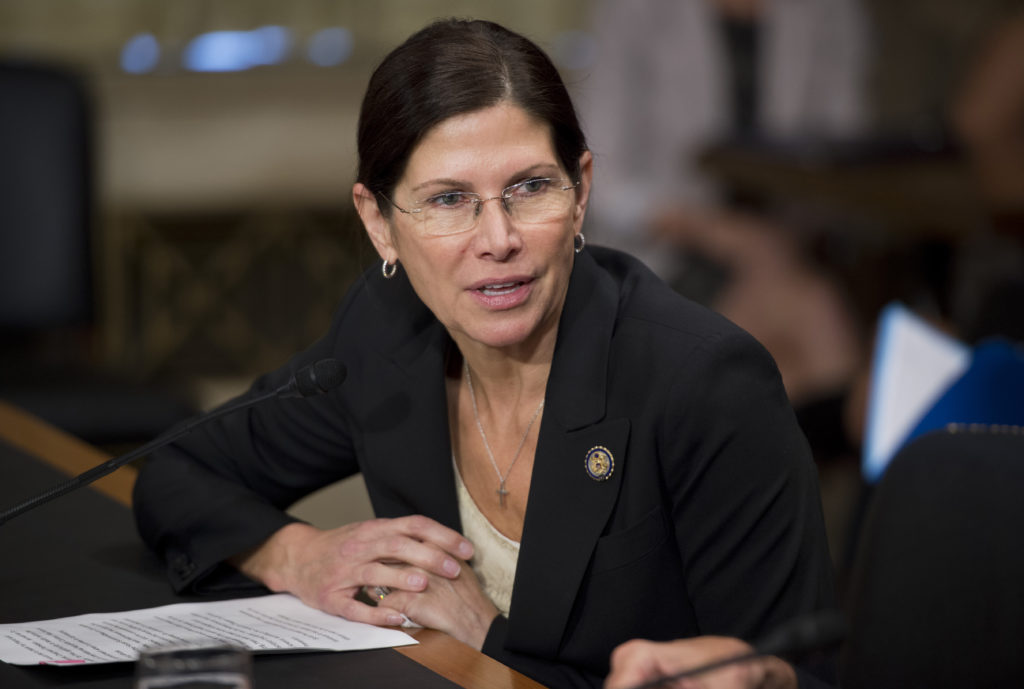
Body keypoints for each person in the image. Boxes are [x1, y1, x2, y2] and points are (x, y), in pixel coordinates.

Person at [133, 19, 835, 689]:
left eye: (530, 187)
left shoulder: (705, 382)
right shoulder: (385, 334)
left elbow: (794, 673)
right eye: (448, 199)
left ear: (582, 190)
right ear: (379, 223)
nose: (498, 237)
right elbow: (176, 471)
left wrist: (485, 634)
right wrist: (300, 555)